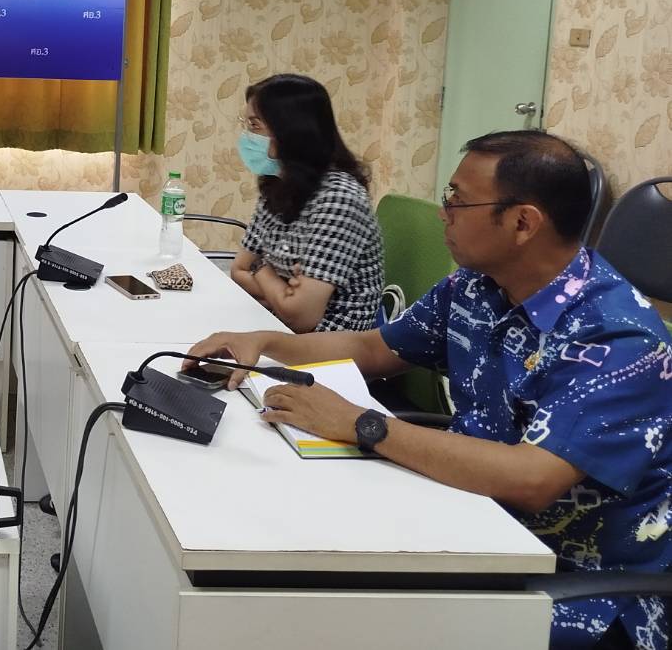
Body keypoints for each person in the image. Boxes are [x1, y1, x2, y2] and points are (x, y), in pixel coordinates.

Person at [188, 131, 672, 650]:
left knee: (328, 615)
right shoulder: (478, 284)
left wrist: (360, 424)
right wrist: (266, 342)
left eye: (458, 201)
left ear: (522, 222)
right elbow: (376, 348)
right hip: (468, 519)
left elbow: (533, 479)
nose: (444, 213)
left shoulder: (617, 339)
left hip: (573, 585)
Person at [228, 73, 382, 333]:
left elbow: (301, 317)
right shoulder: (278, 184)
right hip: (276, 326)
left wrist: (261, 268)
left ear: (289, 130)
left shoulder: (339, 198)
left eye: (254, 125)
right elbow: (238, 269)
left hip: (329, 344)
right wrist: (282, 291)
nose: (247, 135)